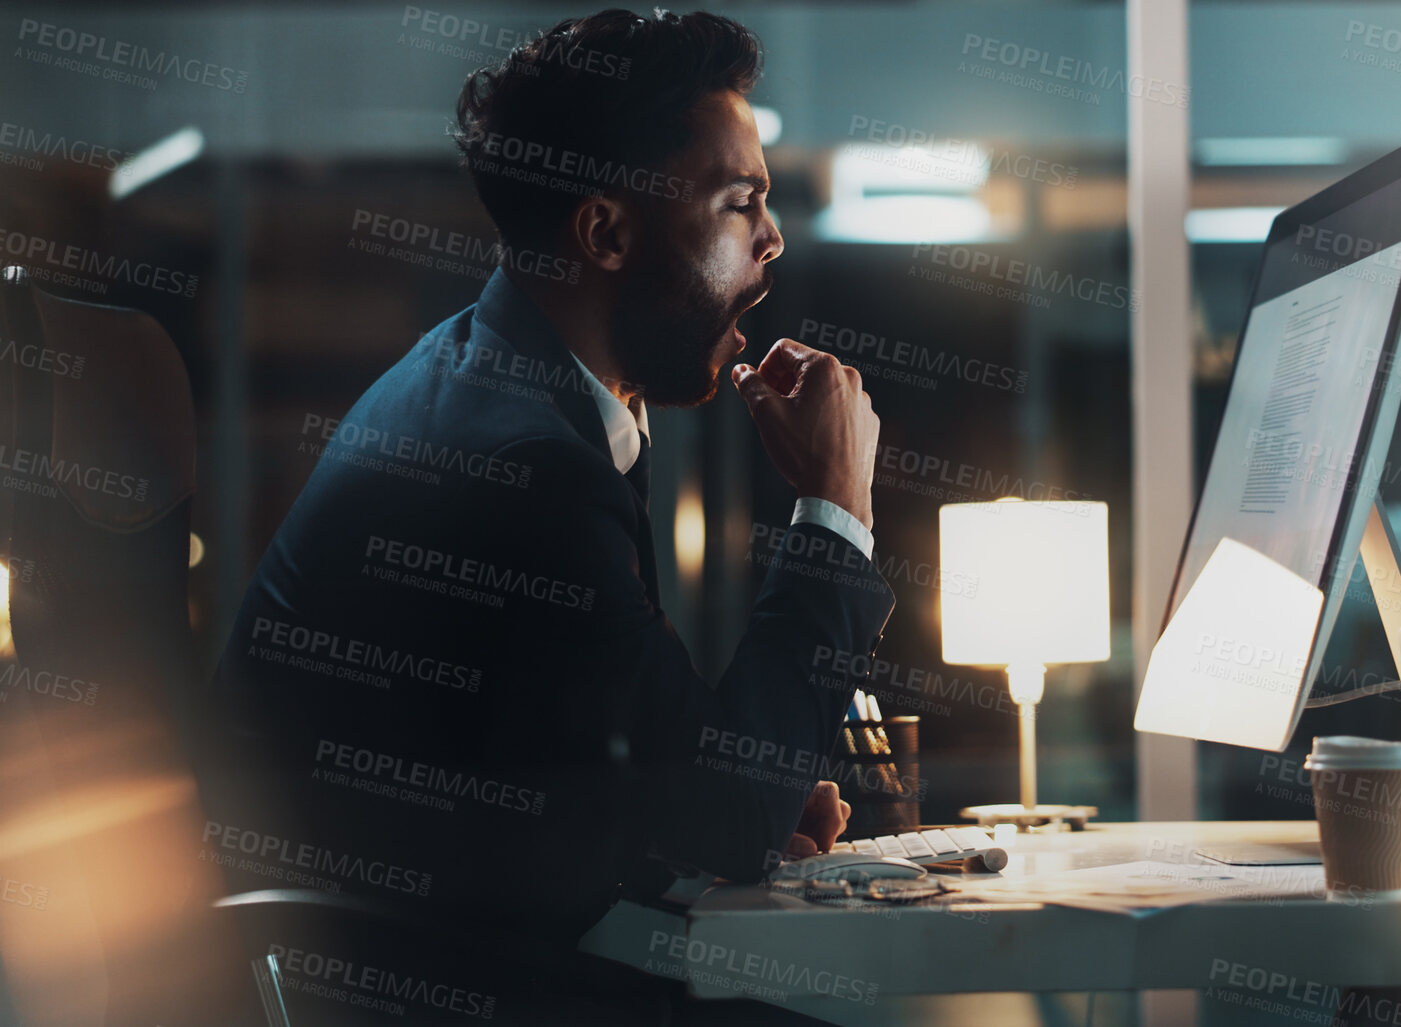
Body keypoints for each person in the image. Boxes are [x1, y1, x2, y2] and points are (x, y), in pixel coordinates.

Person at [206, 8, 893, 951]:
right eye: (738, 203)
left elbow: (596, 768)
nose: (771, 239)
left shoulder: (504, 387)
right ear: (606, 232)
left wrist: (728, 807)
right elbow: (723, 809)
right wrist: (835, 510)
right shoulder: (520, 465)